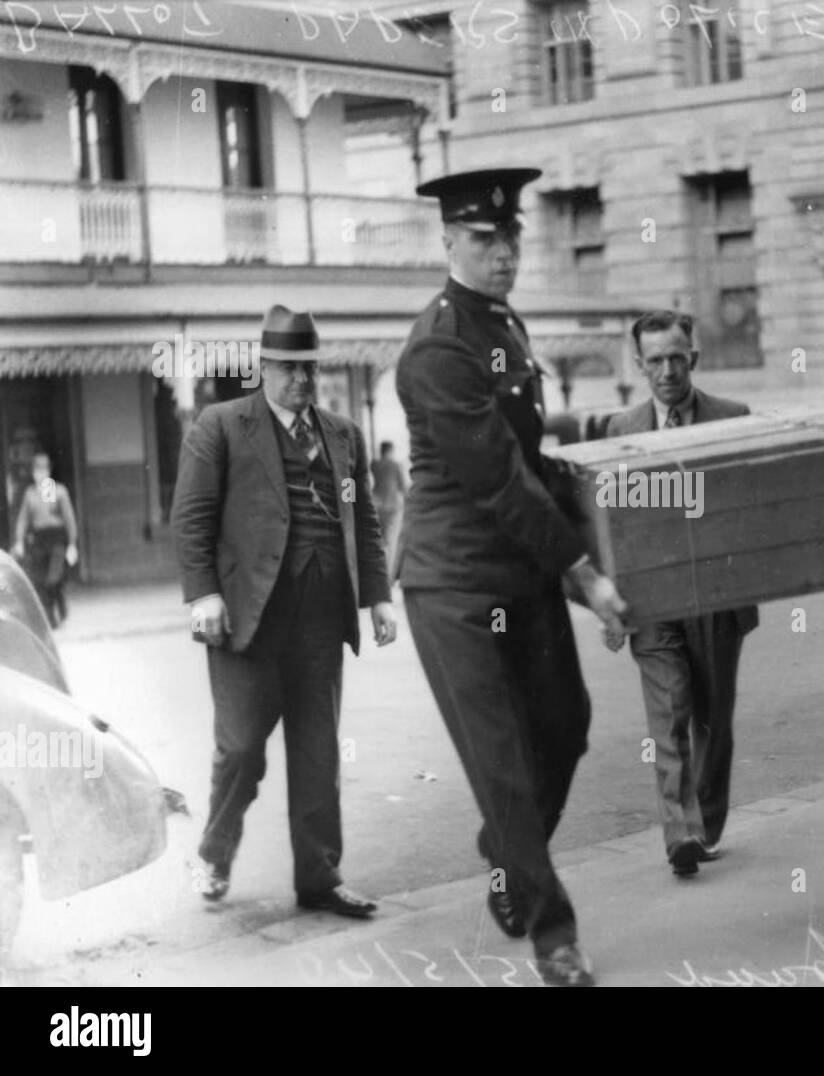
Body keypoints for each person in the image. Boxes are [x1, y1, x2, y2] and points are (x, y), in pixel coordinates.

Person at [396, 167, 628, 988]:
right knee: (501, 765)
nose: (504, 253)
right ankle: (553, 934)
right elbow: (497, 478)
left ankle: (506, 854)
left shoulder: (504, 326)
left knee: (565, 726)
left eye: (513, 237)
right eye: (486, 240)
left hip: (518, 571)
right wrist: (584, 573)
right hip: (452, 583)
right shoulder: (437, 346)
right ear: (449, 241)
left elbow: (531, 461)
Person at [172, 305, 398, 918]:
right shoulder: (220, 426)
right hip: (248, 620)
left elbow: (363, 520)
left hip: (322, 619)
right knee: (242, 747)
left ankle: (320, 877)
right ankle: (215, 854)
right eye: (288, 367)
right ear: (263, 367)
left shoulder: (342, 434)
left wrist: (377, 594)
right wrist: (204, 597)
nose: (301, 379)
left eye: (309, 367)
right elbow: (191, 519)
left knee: (319, 752)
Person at [603, 310, 758, 877]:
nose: (667, 370)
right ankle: (682, 834)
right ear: (640, 365)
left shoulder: (733, 418)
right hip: (653, 601)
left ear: (693, 358)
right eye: (655, 360)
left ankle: (707, 823)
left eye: (677, 357)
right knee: (667, 716)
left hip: (717, 596)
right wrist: (611, 603)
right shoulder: (622, 431)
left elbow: (750, 507)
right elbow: (611, 521)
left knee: (713, 721)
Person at [11, 453, 78, 628]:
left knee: (53, 579)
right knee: (41, 581)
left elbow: (69, 518)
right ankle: (50, 619)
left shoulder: (59, 491)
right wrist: (19, 540)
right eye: (36, 470)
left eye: (43, 470)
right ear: (33, 473)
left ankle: (60, 602)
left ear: (48, 471)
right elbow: (23, 519)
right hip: (40, 540)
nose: (40, 474)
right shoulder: (30, 494)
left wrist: (72, 543)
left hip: (56, 538)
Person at [370, 440, 408, 572]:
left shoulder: (374, 464)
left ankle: (378, 567)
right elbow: (404, 487)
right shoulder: (396, 465)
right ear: (391, 451)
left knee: (380, 538)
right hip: (393, 507)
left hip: (377, 504)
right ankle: (388, 571)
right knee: (392, 540)